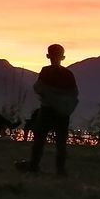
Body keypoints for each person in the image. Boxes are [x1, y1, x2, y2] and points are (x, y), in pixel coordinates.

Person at [17, 43, 79, 177]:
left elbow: (38, 88)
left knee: (39, 140)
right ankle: (60, 170)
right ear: (63, 57)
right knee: (61, 143)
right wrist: (64, 105)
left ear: (48, 56)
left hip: (47, 111)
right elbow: (74, 95)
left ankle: (34, 166)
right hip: (63, 113)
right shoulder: (69, 74)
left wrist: (50, 95)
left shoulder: (45, 71)